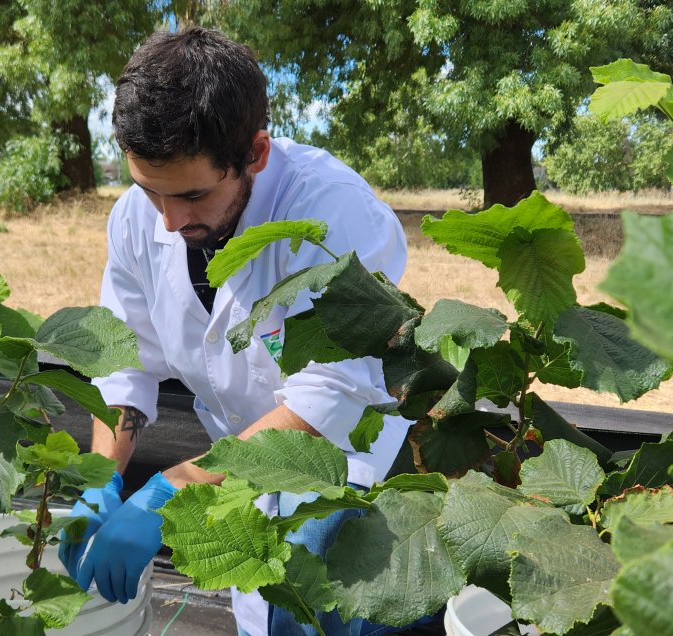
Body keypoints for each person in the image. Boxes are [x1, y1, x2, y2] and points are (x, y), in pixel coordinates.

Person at [59, 27, 429, 636]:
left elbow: (331, 394)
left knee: (317, 610)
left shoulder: (328, 212)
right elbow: (126, 361)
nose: (170, 221)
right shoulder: (135, 217)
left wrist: (170, 489)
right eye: (151, 191)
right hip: (238, 460)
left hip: (343, 462)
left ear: (255, 153)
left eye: (194, 195)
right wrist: (103, 480)